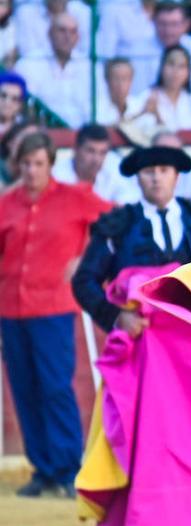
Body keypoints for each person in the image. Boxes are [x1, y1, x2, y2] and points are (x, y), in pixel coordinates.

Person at [72, 143, 191, 526]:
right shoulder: (117, 227)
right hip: (142, 355)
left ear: (176, 176)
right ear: (137, 179)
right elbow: (85, 282)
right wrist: (115, 317)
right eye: (148, 172)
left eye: (163, 170)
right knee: (143, 439)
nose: (156, 177)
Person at [0, 131, 110, 499]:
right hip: (11, 308)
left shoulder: (75, 198)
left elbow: (114, 225)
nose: (31, 171)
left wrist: (86, 257)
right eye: (26, 164)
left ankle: (67, 467)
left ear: (50, 164)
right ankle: (43, 469)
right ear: (18, 166)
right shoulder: (6, 204)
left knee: (55, 387)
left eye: (38, 164)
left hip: (52, 307)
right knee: (24, 390)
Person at [131, 2, 191, 125]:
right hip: (147, 124)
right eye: (163, 24)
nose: (168, 30)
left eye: (174, 24)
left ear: (186, 25)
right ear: (153, 22)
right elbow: (134, 94)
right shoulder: (137, 51)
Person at [13, 11, 90, 127]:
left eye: (73, 32)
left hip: (82, 133)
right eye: (62, 30)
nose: (67, 37)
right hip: (41, 132)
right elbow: (26, 107)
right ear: (50, 33)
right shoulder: (29, 63)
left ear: (78, 37)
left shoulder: (88, 65)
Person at [127, 43, 191, 132]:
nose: (175, 71)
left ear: (188, 72)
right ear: (162, 67)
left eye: (181, 66)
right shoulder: (147, 97)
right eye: (171, 64)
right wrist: (145, 113)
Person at [52, 123, 138, 204]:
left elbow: (130, 196)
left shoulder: (114, 165)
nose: (96, 159)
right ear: (76, 149)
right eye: (91, 151)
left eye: (102, 152)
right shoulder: (57, 175)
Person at [95, 58, 139, 126]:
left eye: (124, 78)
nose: (120, 84)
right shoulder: (97, 107)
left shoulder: (138, 105)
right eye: (116, 78)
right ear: (107, 80)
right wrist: (141, 114)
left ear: (131, 81)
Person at [0, 71, 26, 137]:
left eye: (14, 99)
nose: (7, 102)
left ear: (20, 105)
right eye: (3, 95)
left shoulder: (23, 132)